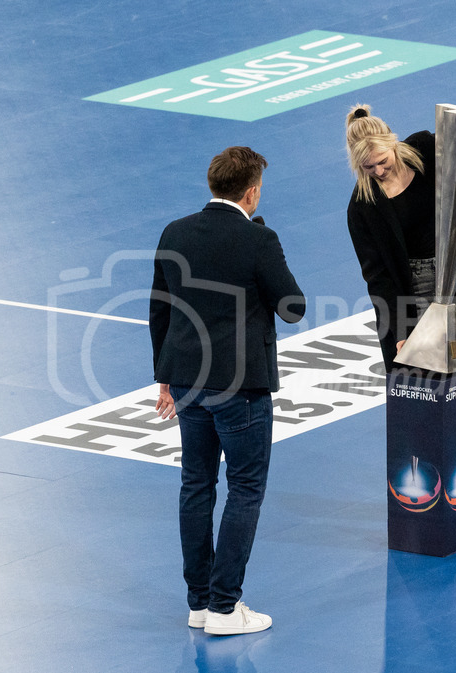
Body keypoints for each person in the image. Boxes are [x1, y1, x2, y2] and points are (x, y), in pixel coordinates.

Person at [150, 146, 305, 634]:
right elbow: (292, 306)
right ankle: (224, 607)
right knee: (245, 489)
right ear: (252, 190)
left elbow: (160, 310)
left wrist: (166, 377)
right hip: (241, 388)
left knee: (196, 485)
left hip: (187, 382)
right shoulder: (260, 239)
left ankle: (199, 603)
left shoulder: (174, 232)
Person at [344, 103, 456, 522]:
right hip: (414, 295)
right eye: (369, 169)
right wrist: (400, 330)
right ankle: (431, 489)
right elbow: (379, 280)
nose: (379, 172)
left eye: (382, 162)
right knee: (427, 395)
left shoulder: (425, 149)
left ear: (393, 144)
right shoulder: (361, 208)